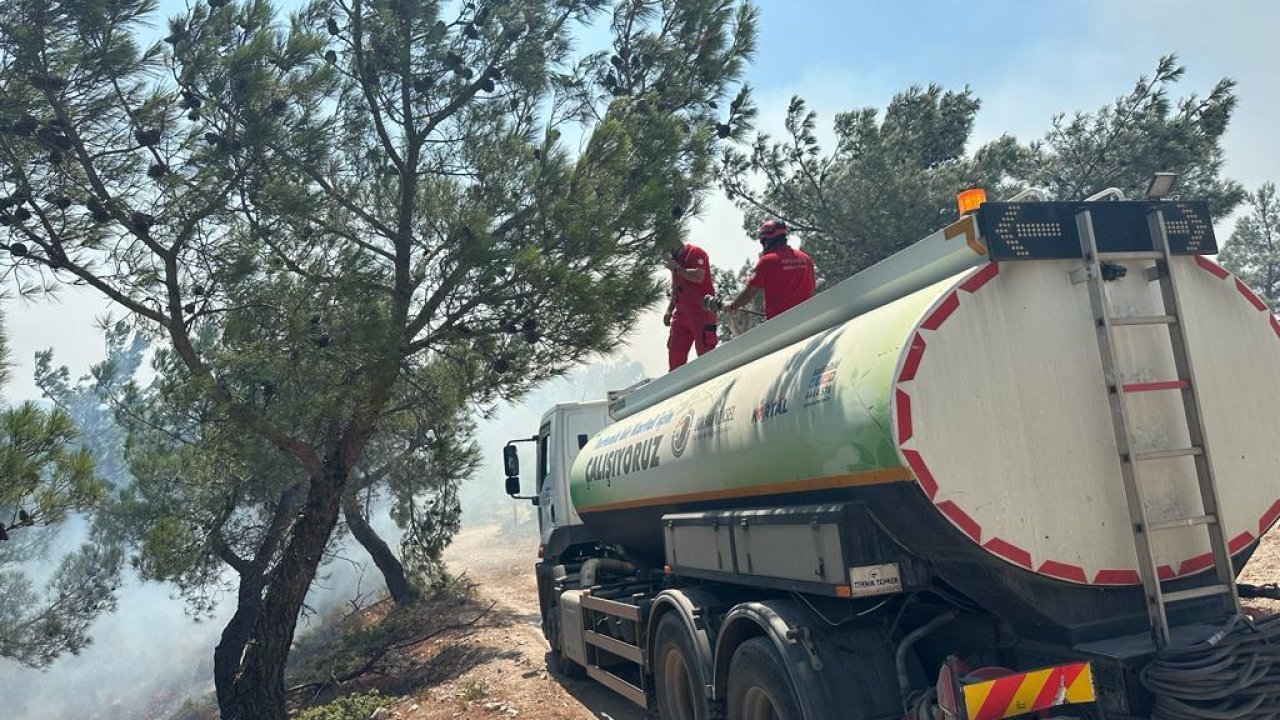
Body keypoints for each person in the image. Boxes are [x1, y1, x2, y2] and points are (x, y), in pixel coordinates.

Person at [727, 219, 815, 320]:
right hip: (808, 318)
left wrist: (733, 306)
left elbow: (748, 294)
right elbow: (812, 288)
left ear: (767, 240)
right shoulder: (806, 258)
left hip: (780, 322)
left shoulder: (768, 261)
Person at [664, 238, 718, 370]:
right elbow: (676, 288)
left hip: (701, 313)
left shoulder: (695, 253)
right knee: (675, 356)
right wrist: (669, 310)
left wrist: (676, 268)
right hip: (681, 315)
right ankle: (677, 381)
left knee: (706, 358)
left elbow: (698, 277)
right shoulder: (675, 261)